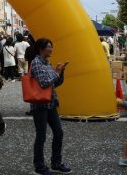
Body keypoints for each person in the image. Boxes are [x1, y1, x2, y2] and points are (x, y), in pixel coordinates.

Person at [29, 38, 71, 175]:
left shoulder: (47, 63)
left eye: (51, 46)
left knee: (59, 132)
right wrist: (56, 72)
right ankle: (39, 167)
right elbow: (44, 83)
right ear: (41, 48)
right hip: (39, 105)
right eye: (48, 47)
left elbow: (55, 83)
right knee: (41, 135)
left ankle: (56, 163)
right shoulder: (36, 62)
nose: (51, 49)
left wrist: (61, 72)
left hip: (51, 103)